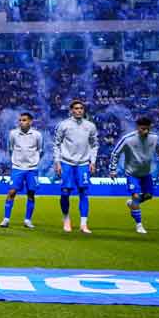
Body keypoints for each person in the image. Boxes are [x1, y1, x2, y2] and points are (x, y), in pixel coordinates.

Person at [109, 116, 159, 234]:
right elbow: (115, 153)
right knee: (137, 196)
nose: (146, 131)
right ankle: (139, 225)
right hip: (132, 173)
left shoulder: (154, 138)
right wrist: (113, 170)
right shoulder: (128, 139)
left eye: (148, 129)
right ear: (138, 128)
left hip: (146, 173)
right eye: (143, 129)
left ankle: (132, 204)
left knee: (148, 196)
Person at [53, 99, 98, 234]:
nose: (79, 110)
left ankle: (83, 224)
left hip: (83, 163)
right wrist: (57, 162)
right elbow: (56, 144)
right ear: (71, 110)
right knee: (65, 192)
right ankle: (66, 218)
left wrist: (93, 161)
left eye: (81, 108)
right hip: (66, 162)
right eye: (76, 108)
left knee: (84, 192)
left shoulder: (90, 126)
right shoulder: (63, 125)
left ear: (83, 111)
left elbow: (94, 144)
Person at [1, 112, 43, 229]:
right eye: (20, 120)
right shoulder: (13, 134)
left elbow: (40, 150)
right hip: (17, 168)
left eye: (24, 120)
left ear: (30, 121)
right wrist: (16, 161)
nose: (21, 122)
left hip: (32, 169)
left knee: (31, 194)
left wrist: (34, 162)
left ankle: (27, 220)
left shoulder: (37, 135)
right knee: (12, 192)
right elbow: (10, 148)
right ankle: (6, 219)